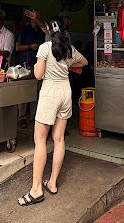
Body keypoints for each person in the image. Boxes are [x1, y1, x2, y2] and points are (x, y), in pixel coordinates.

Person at [18, 16, 87, 206]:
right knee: (59, 139)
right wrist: (68, 64)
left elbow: (38, 75)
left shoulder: (44, 47)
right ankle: (53, 183)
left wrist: (37, 66)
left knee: (40, 141)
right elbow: (84, 62)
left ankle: (36, 190)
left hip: (50, 93)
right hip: (65, 92)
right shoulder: (69, 49)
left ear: (48, 28)